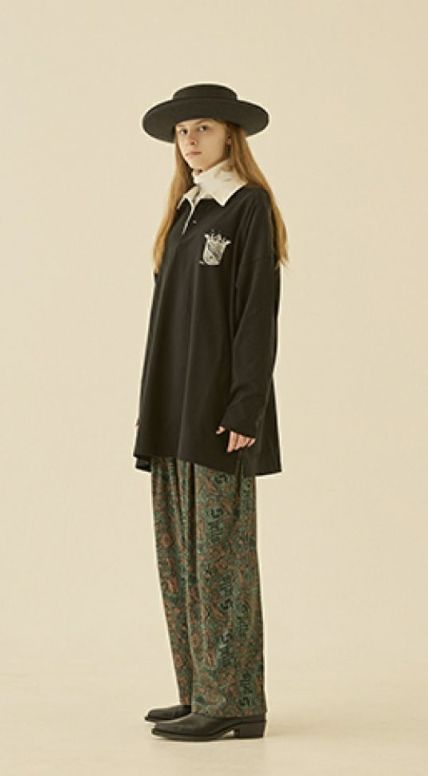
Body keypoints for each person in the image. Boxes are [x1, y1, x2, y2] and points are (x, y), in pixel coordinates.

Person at [133, 83, 287, 742]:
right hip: (173, 411)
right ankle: (200, 690)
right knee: (181, 560)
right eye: (182, 131)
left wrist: (247, 405)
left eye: (203, 128)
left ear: (230, 135)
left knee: (221, 559)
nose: (191, 140)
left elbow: (256, 313)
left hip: (222, 416)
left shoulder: (246, 207)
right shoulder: (186, 211)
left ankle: (235, 700)